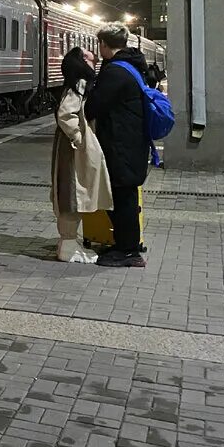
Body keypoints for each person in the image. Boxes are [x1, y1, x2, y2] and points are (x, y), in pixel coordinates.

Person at [84, 23, 151, 268]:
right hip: (131, 142)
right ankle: (125, 245)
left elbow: (93, 106)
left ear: (103, 44)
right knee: (125, 195)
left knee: (122, 197)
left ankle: (129, 251)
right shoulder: (132, 65)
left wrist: (89, 78)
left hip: (121, 144)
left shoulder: (115, 72)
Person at [50, 47, 112, 263]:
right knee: (73, 191)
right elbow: (66, 114)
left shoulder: (77, 84)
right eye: (87, 55)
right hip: (72, 148)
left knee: (75, 190)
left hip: (71, 145)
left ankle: (69, 241)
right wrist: (78, 138)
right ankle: (67, 244)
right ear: (81, 62)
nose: (93, 57)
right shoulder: (79, 84)